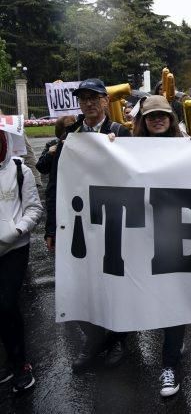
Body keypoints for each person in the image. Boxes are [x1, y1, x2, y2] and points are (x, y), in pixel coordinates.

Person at [107, 95, 191, 397]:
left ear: (171, 118)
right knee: (147, 293)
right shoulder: (128, 149)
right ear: (143, 121)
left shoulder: (187, 147)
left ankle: (169, 364)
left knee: (174, 297)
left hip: (175, 233)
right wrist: (108, 147)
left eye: (163, 115)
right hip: (139, 236)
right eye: (151, 116)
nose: (157, 120)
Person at [42, 79, 132, 372]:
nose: (89, 103)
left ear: (106, 101)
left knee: (115, 283)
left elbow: (138, 175)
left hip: (113, 221)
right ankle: (95, 340)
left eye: (94, 98)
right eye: (84, 98)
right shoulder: (70, 136)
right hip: (79, 221)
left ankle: (118, 338)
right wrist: (51, 228)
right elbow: (55, 183)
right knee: (78, 284)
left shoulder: (119, 132)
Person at [0, 130, 43, 394]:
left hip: (14, 248)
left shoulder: (19, 170)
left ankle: (20, 364)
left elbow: (34, 209)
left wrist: (17, 230)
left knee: (6, 303)